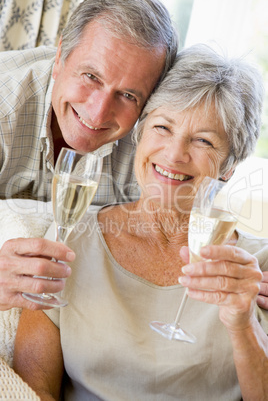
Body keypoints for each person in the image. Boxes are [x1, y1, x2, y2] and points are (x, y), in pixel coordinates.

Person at [14, 44, 268, 400]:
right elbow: (31, 390)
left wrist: (242, 323)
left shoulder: (257, 271)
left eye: (203, 141)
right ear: (140, 134)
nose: (175, 154)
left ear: (229, 167)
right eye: (163, 127)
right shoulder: (70, 239)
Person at [0, 0, 178, 310]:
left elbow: (177, 236)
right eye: (91, 77)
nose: (98, 114)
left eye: (127, 95)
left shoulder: (152, 144)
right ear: (59, 58)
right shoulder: (4, 105)